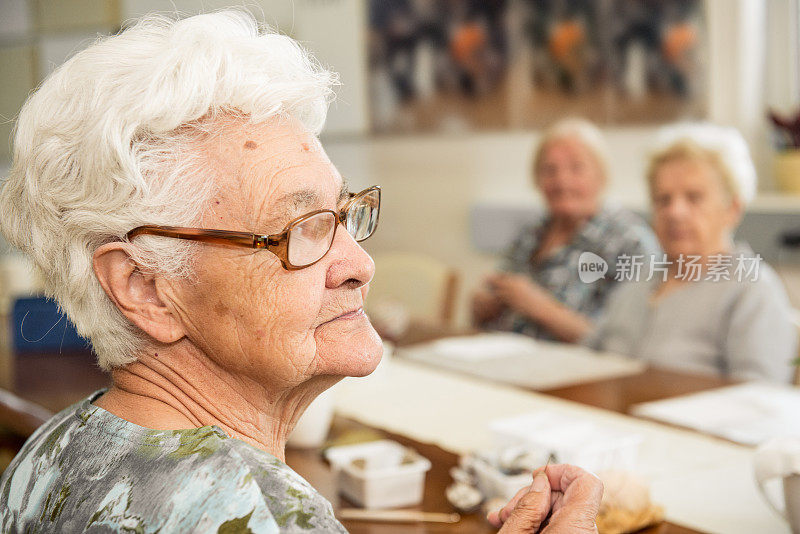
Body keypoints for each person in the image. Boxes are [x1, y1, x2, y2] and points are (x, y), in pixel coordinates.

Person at [0, 10, 602, 533]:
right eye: (300, 230)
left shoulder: (51, 451)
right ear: (145, 288)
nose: (360, 266)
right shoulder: (263, 513)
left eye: (341, 215)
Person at [585, 124, 798, 382]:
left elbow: (759, 398)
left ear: (732, 208)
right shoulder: (640, 280)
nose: (675, 212)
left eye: (694, 198)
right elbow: (589, 358)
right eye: (663, 200)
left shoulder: (752, 290)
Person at [472, 118, 659, 343]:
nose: (562, 181)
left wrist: (539, 307)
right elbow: (489, 309)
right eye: (550, 170)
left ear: (601, 175)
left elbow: (622, 343)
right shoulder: (531, 233)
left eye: (576, 168)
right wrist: (484, 307)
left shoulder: (630, 241)